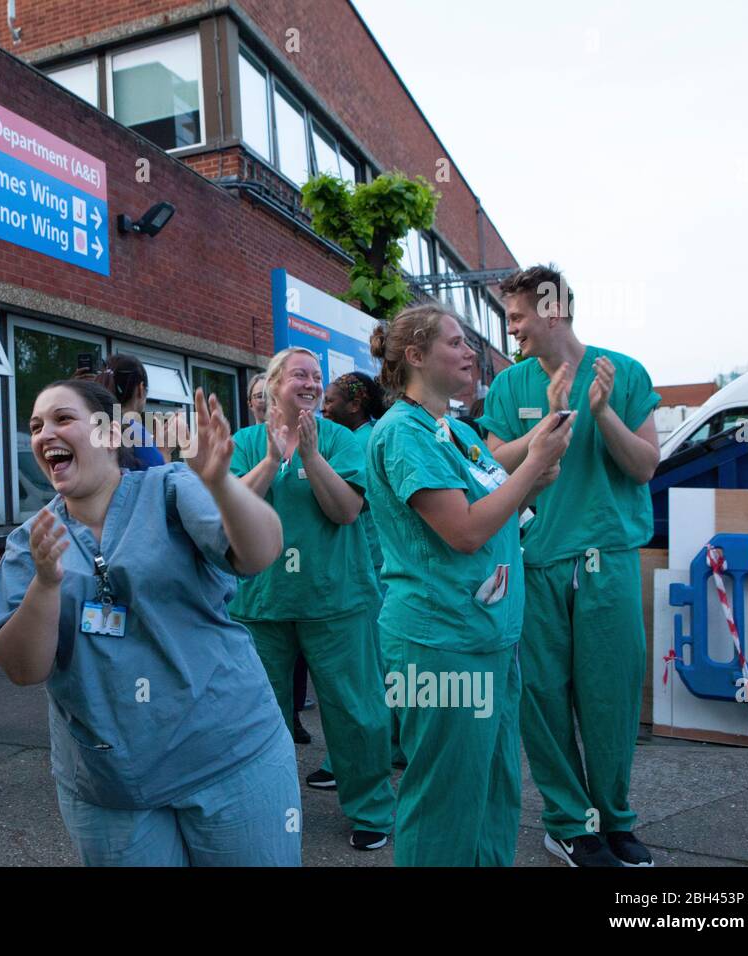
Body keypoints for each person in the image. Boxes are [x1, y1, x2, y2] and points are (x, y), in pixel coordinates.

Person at [0, 380, 299, 866]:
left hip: (228, 759)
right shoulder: (32, 539)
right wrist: (45, 585)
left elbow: (258, 553)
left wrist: (219, 483)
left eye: (63, 418)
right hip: (111, 782)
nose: (45, 433)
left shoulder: (169, 487)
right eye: (35, 426)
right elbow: (24, 668)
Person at [365, 304, 569, 866]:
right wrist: (534, 464)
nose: (470, 352)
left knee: (494, 794)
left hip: (489, 638)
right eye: (454, 343)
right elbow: (465, 531)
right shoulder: (403, 433)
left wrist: (539, 467)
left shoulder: (454, 430)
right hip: (442, 646)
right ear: (415, 357)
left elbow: (503, 502)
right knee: (445, 804)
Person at [478, 265, 661, 868]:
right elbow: (491, 463)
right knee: (544, 699)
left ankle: (615, 820)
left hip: (606, 559)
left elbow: (644, 467)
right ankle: (568, 822)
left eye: (518, 316)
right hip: (536, 561)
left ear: (552, 310)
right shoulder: (510, 388)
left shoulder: (624, 372)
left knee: (609, 698)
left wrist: (601, 412)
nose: (513, 330)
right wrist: (545, 431)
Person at [229, 346, 394, 851]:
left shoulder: (342, 439)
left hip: (336, 599)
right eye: (300, 373)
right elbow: (228, 511)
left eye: (317, 376)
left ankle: (370, 808)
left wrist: (311, 455)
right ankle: (268, 807)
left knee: (355, 711)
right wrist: (274, 457)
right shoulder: (244, 442)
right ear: (274, 382)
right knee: (259, 713)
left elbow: (345, 510)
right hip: (262, 601)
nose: (312, 382)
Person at [307, 370, 391, 791]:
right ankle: (383, 749)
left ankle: (349, 761)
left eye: (331, 401)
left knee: (362, 675)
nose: (324, 408)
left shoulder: (359, 442)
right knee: (375, 669)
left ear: (354, 404)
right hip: (372, 567)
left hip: (370, 569)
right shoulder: (366, 434)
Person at [96, 354, 168, 469]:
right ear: (140, 388)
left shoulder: (93, 425)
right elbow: (160, 481)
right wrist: (164, 452)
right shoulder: (135, 431)